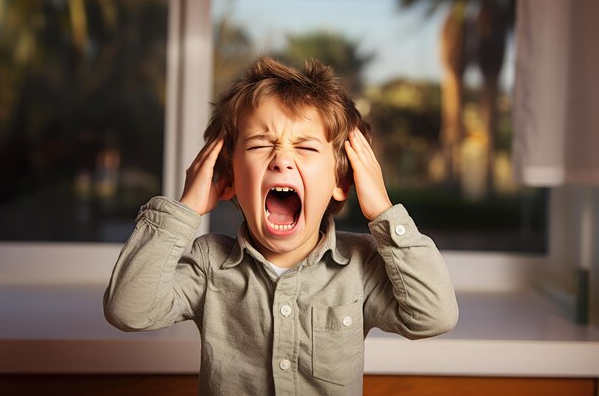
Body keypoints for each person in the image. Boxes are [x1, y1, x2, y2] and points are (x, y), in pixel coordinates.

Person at [104, 57, 458, 396]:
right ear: (228, 177)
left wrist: (382, 209)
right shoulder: (209, 264)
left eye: (305, 147)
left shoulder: (359, 267)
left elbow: (433, 316)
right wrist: (187, 208)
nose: (282, 160)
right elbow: (129, 310)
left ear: (341, 182)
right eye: (260, 144)